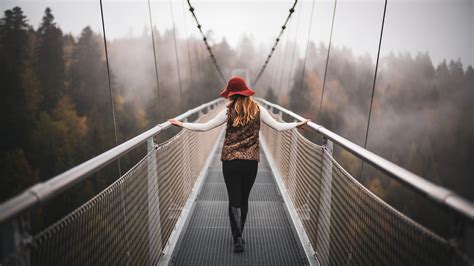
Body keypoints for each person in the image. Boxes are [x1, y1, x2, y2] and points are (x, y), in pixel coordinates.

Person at [168, 76, 309, 253]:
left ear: (232, 95)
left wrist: (182, 124)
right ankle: (240, 233)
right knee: (244, 200)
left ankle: (237, 240)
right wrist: (298, 124)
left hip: (231, 162)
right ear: (246, 92)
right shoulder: (258, 109)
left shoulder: (228, 112)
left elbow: (205, 127)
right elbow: (278, 127)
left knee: (233, 200)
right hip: (251, 163)